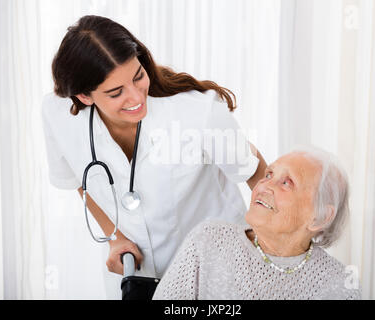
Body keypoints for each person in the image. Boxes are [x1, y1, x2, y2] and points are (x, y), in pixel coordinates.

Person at [41, 15, 267, 298]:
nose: (136, 97)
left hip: (217, 276)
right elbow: (78, 178)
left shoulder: (196, 111)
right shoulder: (58, 115)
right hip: (134, 278)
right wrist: (116, 238)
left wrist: (267, 245)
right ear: (86, 97)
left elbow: (256, 172)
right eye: (116, 92)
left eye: (138, 77)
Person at [152, 147, 361, 300]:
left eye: (287, 182)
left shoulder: (339, 285)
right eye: (269, 174)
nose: (263, 185)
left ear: (320, 216)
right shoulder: (209, 240)